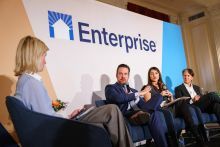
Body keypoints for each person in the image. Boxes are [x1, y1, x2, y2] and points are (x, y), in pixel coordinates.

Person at [13, 36, 134, 147]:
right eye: (44, 56)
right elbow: (48, 118)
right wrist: (68, 117)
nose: (45, 61)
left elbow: (45, 108)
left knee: (100, 118)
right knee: (111, 109)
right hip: (61, 126)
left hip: (60, 123)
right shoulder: (31, 83)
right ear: (34, 56)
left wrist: (67, 111)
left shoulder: (26, 81)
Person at [105, 64, 169, 147]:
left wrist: (160, 95)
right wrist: (139, 93)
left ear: (128, 75)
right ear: (116, 75)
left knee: (154, 112)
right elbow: (118, 98)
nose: (123, 76)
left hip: (138, 112)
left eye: (125, 74)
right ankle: (138, 116)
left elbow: (145, 106)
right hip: (123, 115)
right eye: (120, 73)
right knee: (152, 112)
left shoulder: (133, 90)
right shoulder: (110, 88)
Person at [175, 68, 220, 146]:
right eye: (184, 76)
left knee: (216, 105)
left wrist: (201, 97)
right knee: (212, 95)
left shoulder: (196, 87)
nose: (186, 77)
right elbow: (180, 103)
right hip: (191, 107)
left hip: (200, 105)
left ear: (192, 77)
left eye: (188, 75)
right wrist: (192, 99)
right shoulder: (178, 88)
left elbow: (202, 98)